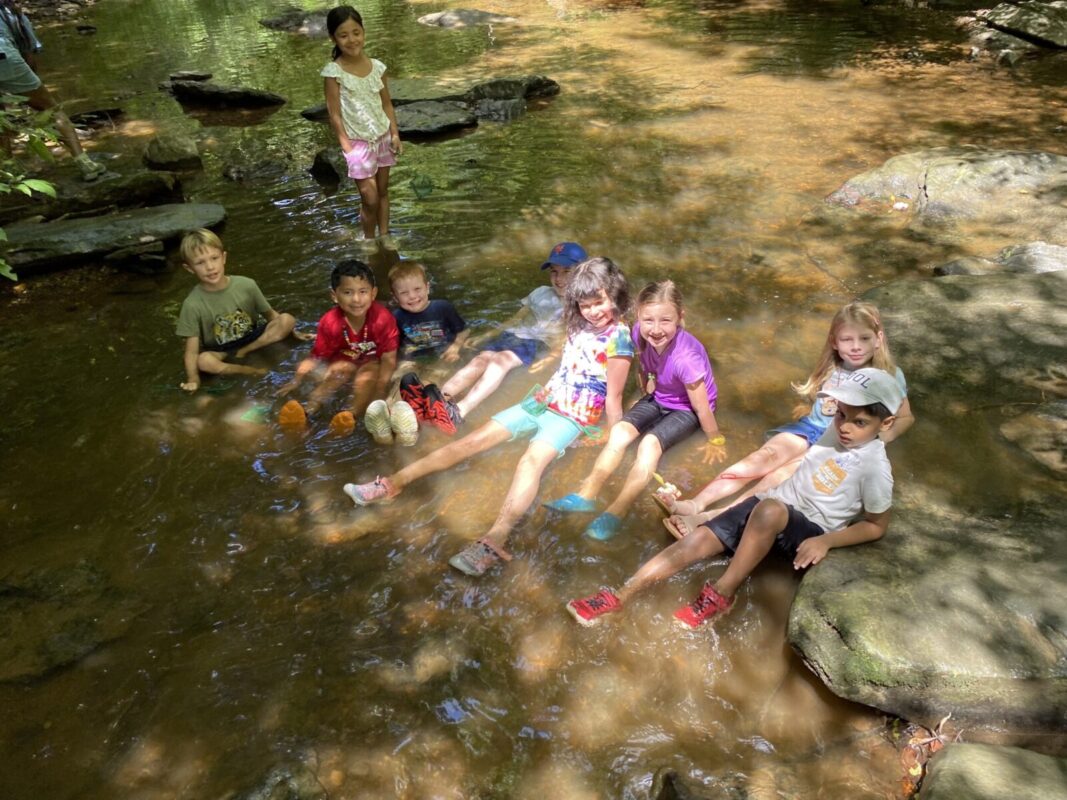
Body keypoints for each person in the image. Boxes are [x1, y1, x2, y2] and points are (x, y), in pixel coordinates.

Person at [343, 257, 633, 576]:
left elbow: (614, 395)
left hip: (573, 417)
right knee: (473, 440)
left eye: (597, 303)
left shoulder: (620, 338)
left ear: (614, 294)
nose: (591, 310)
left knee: (530, 462)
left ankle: (495, 540)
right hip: (542, 402)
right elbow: (568, 367)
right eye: (584, 304)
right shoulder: (578, 323)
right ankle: (393, 484)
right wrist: (544, 391)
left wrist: (610, 434)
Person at [566, 367, 903, 628]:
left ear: (885, 423)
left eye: (859, 421)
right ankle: (621, 594)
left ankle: (721, 593)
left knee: (769, 508)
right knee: (698, 539)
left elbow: (876, 526)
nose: (844, 426)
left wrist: (827, 541)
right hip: (769, 509)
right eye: (841, 414)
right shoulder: (836, 429)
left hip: (808, 529)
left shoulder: (875, 467)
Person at [656, 300, 913, 538]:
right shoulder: (835, 364)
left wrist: (880, 437)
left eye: (864, 339)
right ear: (834, 342)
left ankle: (709, 519)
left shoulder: (889, 376)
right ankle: (694, 503)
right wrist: (809, 405)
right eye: (847, 339)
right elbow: (824, 396)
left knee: (777, 478)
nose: (856, 347)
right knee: (762, 458)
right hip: (811, 427)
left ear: (878, 339)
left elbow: (905, 417)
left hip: (834, 445)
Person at [544, 281, 725, 540]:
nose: (656, 329)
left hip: (687, 407)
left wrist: (715, 439)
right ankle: (586, 495)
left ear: (680, 318)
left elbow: (702, 405)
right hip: (659, 395)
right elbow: (643, 363)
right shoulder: (639, 331)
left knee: (649, 445)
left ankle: (617, 510)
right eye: (648, 320)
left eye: (665, 320)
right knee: (619, 433)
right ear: (639, 316)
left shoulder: (686, 357)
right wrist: (645, 384)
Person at [399, 242, 587, 435]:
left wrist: (551, 357)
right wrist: (488, 334)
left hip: (538, 343)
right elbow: (516, 318)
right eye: (554, 272)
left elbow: (569, 336)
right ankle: (439, 400)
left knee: (499, 361)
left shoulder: (582, 305)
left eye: (567, 271)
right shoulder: (540, 292)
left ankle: (460, 411)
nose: (559, 278)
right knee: (481, 359)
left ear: (582, 273)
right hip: (513, 336)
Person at [276, 260, 413, 443]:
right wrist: (296, 380)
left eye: (362, 292)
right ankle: (308, 411)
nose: (356, 299)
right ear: (335, 296)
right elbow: (316, 355)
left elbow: (388, 359)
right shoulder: (330, 322)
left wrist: (381, 387)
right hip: (343, 360)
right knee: (337, 373)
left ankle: (350, 415)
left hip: (371, 361)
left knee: (368, 376)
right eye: (347, 292)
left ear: (373, 293)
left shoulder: (383, 319)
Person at [176, 229, 303, 393]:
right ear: (189, 268)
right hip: (221, 349)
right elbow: (191, 351)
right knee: (203, 361)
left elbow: (271, 316)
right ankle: (248, 371)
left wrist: (294, 333)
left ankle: (246, 351)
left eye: (214, 258)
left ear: (224, 258)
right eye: (200, 263)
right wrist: (193, 379)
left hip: (253, 336)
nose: (209, 267)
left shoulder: (246, 285)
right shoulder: (192, 304)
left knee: (287, 319)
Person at [322, 5, 402, 249]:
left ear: (364, 32)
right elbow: (334, 113)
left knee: (384, 191)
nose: (351, 39)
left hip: (382, 137)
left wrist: (395, 133)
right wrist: (346, 146)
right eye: (343, 35)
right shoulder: (333, 72)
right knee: (370, 197)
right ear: (333, 38)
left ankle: (385, 235)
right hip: (357, 143)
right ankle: (368, 240)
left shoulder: (377, 67)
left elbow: (387, 104)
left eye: (356, 32)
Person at [0, 0, 104, 180]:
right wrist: (32, 92)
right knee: (52, 110)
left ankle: (9, 170)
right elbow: (29, 55)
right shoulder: (13, 13)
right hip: (6, 58)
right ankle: (85, 164)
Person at [389, 260, 469, 363]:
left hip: (443, 352)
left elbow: (463, 331)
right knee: (401, 374)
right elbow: (394, 346)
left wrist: (455, 348)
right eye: (404, 293)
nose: (412, 296)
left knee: (446, 365)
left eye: (417, 289)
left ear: (427, 288)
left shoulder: (443, 307)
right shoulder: (396, 317)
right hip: (414, 357)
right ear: (395, 297)